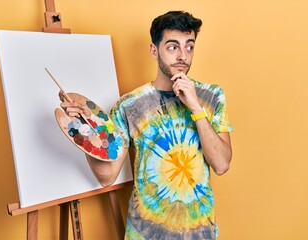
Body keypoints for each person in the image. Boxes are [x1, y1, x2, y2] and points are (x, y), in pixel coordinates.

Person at [61, 10, 233, 240]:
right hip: (145, 234)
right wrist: (85, 132)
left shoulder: (212, 96)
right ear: (154, 50)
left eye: (189, 46)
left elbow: (221, 164)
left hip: (199, 234)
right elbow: (106, 176)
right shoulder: (128, 106)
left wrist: (195, 107)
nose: (182, 55)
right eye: (173, 47)